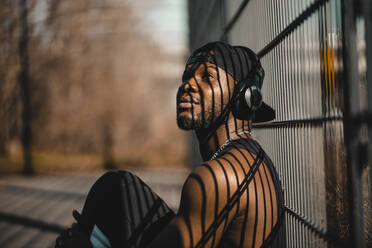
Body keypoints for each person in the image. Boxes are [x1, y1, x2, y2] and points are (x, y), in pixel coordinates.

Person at [55, 41, 285, 248]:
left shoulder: (218, 178)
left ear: (245, 98)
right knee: (117, 187)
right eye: (187, 76)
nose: (188, 85)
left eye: (208, 77)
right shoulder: (246, 155)